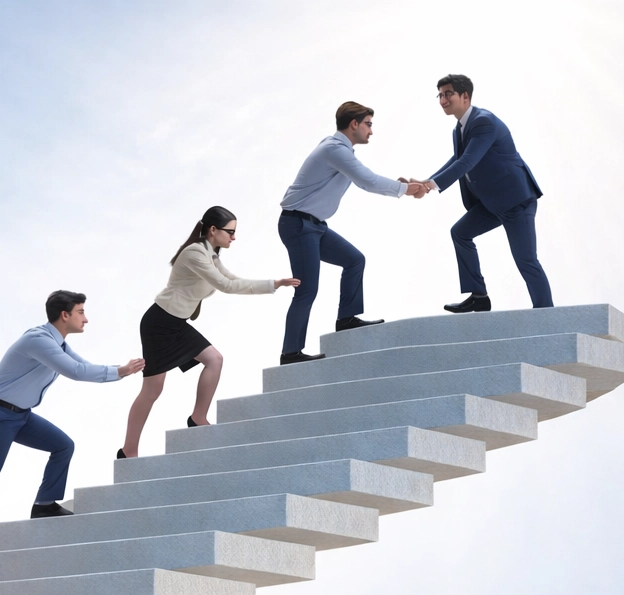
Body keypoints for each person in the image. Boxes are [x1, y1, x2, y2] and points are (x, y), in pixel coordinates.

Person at [0, 290, 144, 555]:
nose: (86, 319)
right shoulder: (38, 340)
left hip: (20, 414)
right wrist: (121, 371)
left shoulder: (57, 342)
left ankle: (44, 504)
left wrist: (120, 371)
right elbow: (75, 371)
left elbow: (82, 364)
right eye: (81, 312)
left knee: (63, 446)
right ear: (64, 315)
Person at [119, 206, 299, 458]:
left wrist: (273, 284)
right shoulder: (195, 253)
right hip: (159, 324)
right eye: (230, 232)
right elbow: (226, 285)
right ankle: (128, 451)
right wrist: (273, 285)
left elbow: (234, 279)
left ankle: (197, 417)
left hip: (177, 324)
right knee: (153, 390)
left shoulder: (211, 255)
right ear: (213, 230)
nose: (233, 238)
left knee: (214, 359)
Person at [278, 101, 428, 365]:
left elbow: (364, 178)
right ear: (354, 124)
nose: (371, 131)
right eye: (368, 124)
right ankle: (291, 353)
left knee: (354, 260)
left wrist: (400, 186)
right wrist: (407, 190)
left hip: (315, 226)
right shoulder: (334, 149)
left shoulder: (341, 151)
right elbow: (367, 180)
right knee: (307, 289)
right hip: (298, 225)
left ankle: (346, 318)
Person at [408, 74, 552, 313]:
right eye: (440, 95)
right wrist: (426, 182)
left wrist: (431, 186)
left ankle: (546, 313)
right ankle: (479, 297)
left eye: (448, 94)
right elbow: (456, 159)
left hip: (516, 201)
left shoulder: (484, 122)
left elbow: (466, 162)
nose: (443, 99)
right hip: (492, 203)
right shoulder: (460, 129)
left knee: (526, 260)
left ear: (465, 96)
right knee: (460, 233)